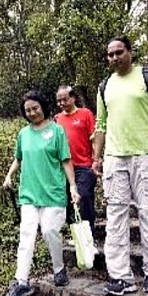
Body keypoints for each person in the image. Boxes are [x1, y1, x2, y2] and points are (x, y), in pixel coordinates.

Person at [92, 35, 148, 296]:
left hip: (145, 156)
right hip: (115, 159)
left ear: (130, 52)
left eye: (119, 52)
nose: (114, 57)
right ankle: (120, 277)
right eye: (110, 54)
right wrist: (97, 156)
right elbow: (101, 126)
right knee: (115, 219)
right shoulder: (104, 86)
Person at [2, 90, 80, 296]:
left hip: (53, 192)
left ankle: (59, 268)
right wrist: (9, 176)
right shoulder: (23, 134)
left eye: (35, 108)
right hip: (28, 193)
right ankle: (21, 281)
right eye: (27, 110)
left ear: (43, 107)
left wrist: (72, 186)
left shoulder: (57, 131)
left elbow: (65, 160)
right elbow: (18, 159)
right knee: (26, 235)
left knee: (49, 231)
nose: (32, 113)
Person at [55, 85, 97, 233]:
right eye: (59, 101)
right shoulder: (58, 119)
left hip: (84, 165)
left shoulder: (85, 114)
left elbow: (94, 137)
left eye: (65, 99)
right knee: (67, 201)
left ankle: (89, 233)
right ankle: (73, 232)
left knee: (84, 196)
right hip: (64, 168)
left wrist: (96, 159)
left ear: (73, 98)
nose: (62, 103)